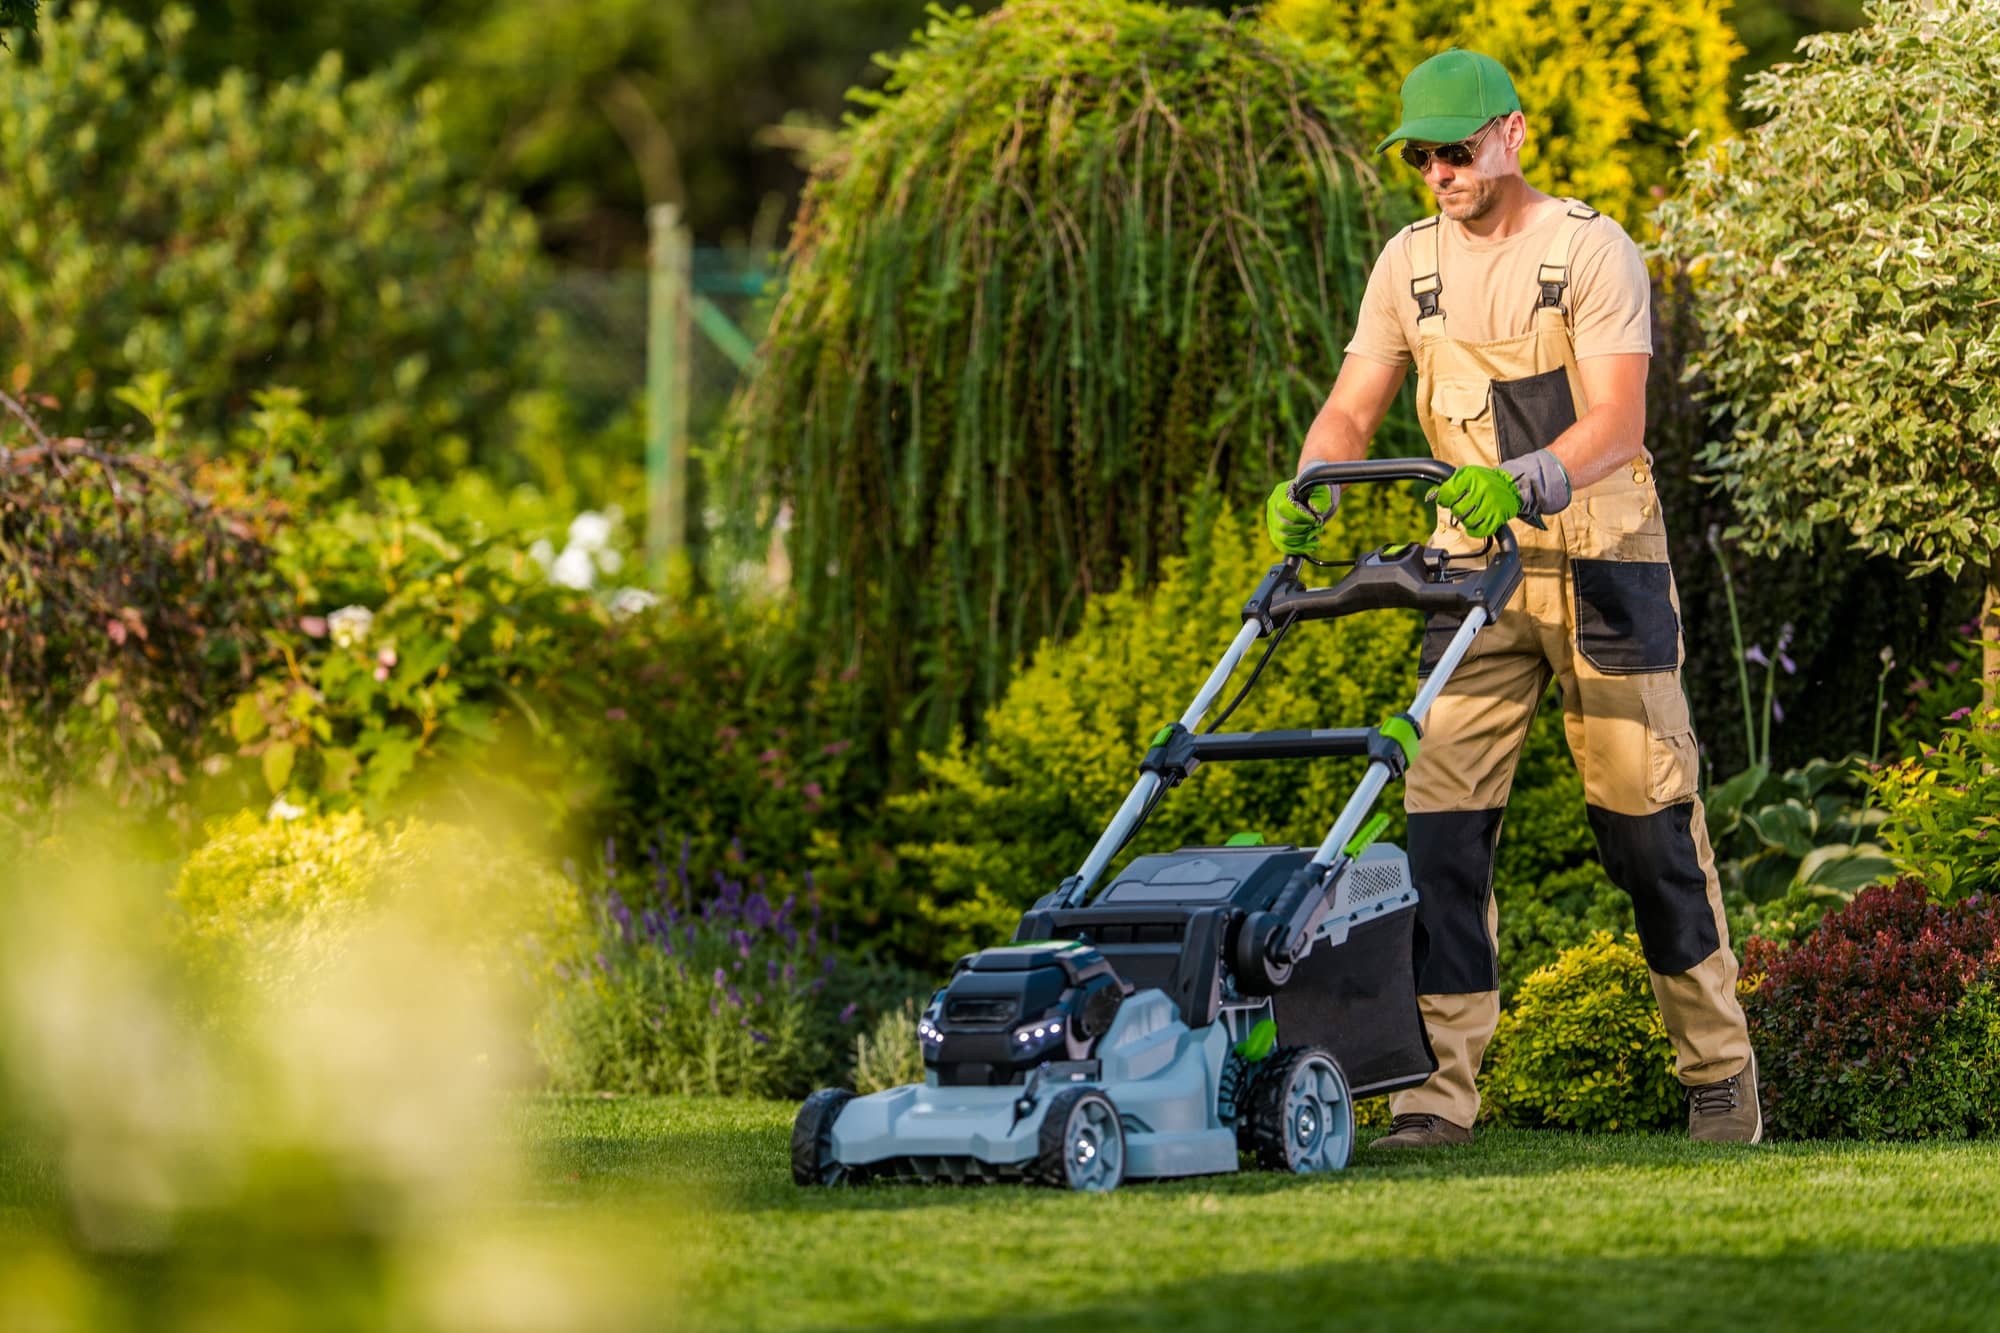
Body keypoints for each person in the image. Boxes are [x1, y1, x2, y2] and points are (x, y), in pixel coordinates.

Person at [1265, 48, 1761, 1147]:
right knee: (1438, 830)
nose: (1439, 172)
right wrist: (1312, 484)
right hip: (1468, 568)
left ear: (1512, 133)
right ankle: (1435, 1094)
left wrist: (1524, 476)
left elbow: (1617, 426)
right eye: (1422, 156)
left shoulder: (1588, 250)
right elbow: (1352, 405)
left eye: (1456, 150)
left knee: (1647, 832)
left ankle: (1719, 1073)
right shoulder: (1407, 264)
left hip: (1598, 561)